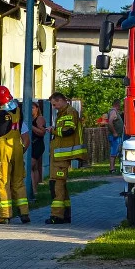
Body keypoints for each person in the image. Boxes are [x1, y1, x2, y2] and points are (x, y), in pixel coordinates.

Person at [0, 86, 30, 224]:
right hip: (17, 146)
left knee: (2, 181)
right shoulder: (17, 110)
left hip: (4, 147)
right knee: (18, 182)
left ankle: (5, 215)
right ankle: (24, 213)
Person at [48, 93, 87, 224]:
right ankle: (65, 215)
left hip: (62, 156)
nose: (54, 107)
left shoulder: (69, 112)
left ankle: (57, 216)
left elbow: (68, 131)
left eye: (54, 104)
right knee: (61, 185)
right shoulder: (64, 112)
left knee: (56, 184)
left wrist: (53, 131)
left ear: (61, 100)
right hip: (60, 156)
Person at [30, 101, 47, 193]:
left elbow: (42, 132)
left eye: (32, 108)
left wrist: (31, 126)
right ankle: (35, 190)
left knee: (29, 167)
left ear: (37, 108)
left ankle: (32, 190)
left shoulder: (39, 118)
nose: (30, 110)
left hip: (37, 145)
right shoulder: (30, 118)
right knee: (34, 168)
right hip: (31, 145)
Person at [106, 99, 124, 174]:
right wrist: (114, 132)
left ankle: (116, 167)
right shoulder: (113, 111)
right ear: (117, 104)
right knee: (114, 151)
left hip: (118, 136)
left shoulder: (116, 112)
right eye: (120, 104)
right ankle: (112, 168)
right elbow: (110, 122)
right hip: (115, 136)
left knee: (117, 151)